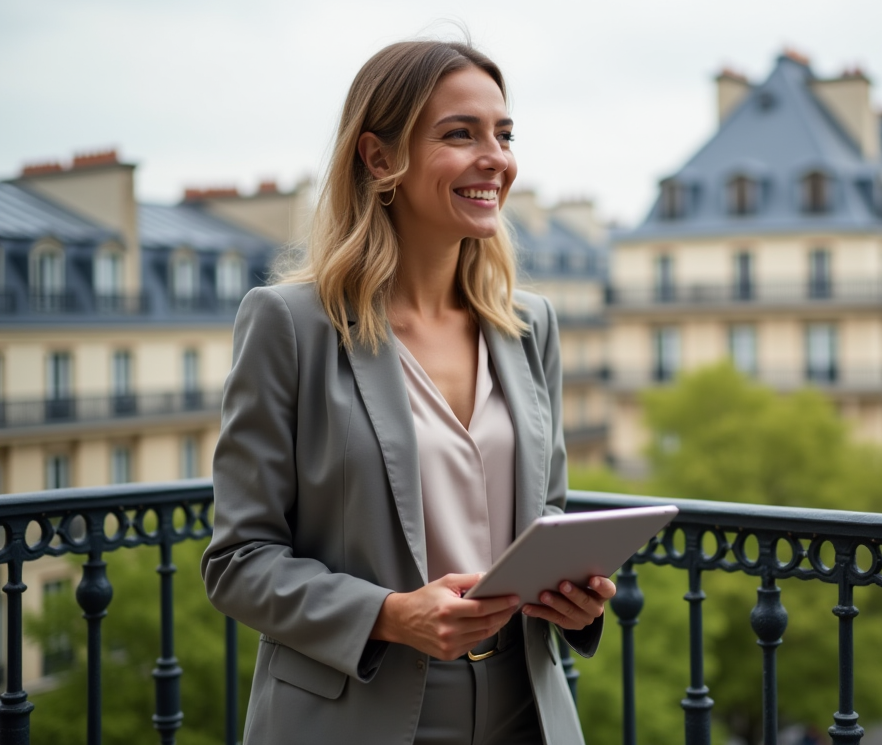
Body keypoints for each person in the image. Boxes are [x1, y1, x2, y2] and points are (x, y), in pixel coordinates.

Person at [202, 39, 615, 745]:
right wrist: (390, 614)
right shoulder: (290, 324)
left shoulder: (528, 325)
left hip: (528, 713)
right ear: (378, 157)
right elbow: (238, 562)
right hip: (358, 717)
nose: (497, 158)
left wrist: (577, 601)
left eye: (504, 134)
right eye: (461, 133)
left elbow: (545, 516)